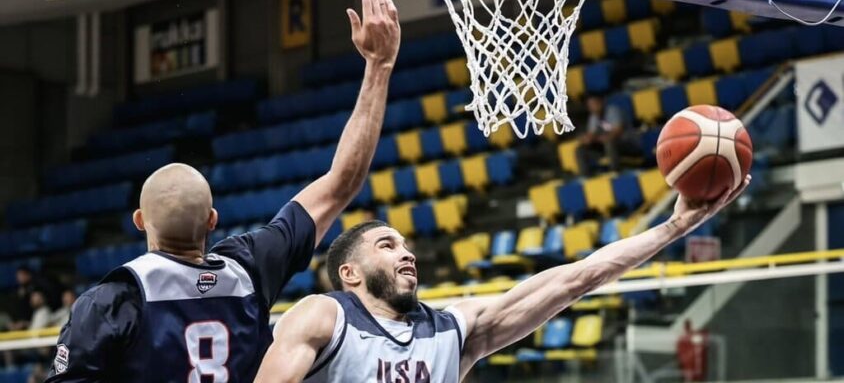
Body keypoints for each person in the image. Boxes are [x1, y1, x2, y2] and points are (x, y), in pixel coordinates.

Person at [45, 0, 400, 380]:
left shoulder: (112, 301)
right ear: (213, 219)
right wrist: (378, 66)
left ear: (140, 220)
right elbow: (341, 183)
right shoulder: (249, 268)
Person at [254, 176, 751, 382]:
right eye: (387, 246)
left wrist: (677, 225)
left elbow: (578, 278)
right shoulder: (324, 315)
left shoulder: (450, 330)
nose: (407, 255)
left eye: (407, 245)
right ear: (349, 273)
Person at [575, 94, 641, 176]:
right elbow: (591, 134)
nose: (594, 107)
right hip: (606, 145)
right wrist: (586, 139)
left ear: (602, 102)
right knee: (580, 149)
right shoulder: (593, 117)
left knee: (609, 142)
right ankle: (585, 176)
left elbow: (618, 131)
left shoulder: (613, 111)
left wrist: (600, 138)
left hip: (627, 143)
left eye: (595, 103)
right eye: (591, 105)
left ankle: (615, 171)